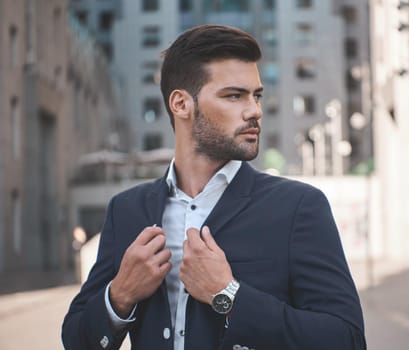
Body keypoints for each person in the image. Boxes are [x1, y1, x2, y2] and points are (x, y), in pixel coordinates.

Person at [62, 24, 366, 350]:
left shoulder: (298, 207)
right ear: (181, 104)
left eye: (257, 95)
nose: (255, 111)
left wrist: (227, 295)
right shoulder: (127, 210)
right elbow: (76, 340)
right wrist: (120, 295)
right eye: (234, 95)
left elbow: (345, 339)